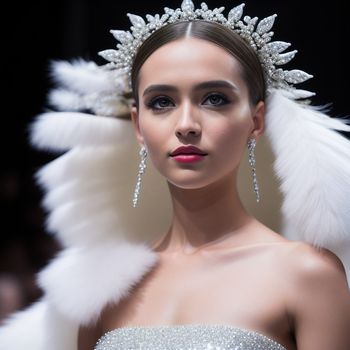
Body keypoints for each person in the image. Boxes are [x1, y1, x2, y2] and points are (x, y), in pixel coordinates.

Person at [1, 1, 350, 349]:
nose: (186, 125)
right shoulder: (103, 289)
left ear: (256, 121)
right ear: (138, 125)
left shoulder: (305, 274)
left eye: (214, 98)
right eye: (162, 102)